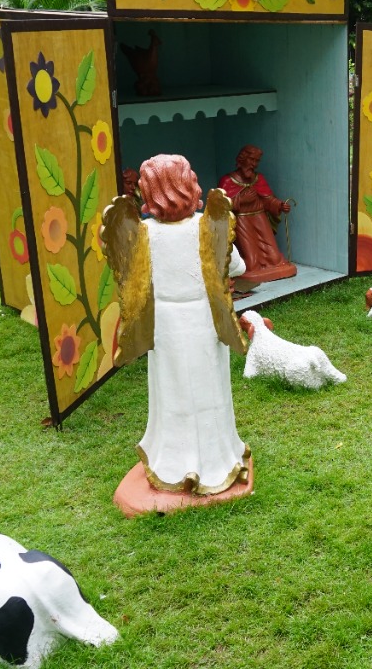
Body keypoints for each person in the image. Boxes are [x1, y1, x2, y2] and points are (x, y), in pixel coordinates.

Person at [102, 154, 250, 498]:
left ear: (149, 192)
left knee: (172, 390)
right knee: (209, 388)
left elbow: (130, 281)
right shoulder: (206, 226)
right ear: (189, 185)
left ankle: (171, 461)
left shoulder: (142, 233)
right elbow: (238, 266)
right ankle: (217, 457)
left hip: (165, 325)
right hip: (203, 320)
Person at [218, 144, 296, 287]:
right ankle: (249, 270)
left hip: (260, 218)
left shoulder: (258, 178)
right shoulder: (228, 181)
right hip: (241, 221)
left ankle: (272, 268)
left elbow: (268, 199)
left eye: (256, 161)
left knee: (275, 258)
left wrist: (279, 205)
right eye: (251, 160)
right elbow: (222, 206)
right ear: (242, 159)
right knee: (252, 262)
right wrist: (241, 200)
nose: (254, 165)